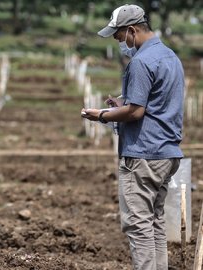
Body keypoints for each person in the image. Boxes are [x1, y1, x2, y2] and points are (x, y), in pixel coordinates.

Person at [81, 4, 184, 270]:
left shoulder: (140, 61)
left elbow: (136, 111)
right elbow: (154, 102)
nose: (119, 42)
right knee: (154, 221)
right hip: (168, 152)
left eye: (118, 37)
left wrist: (102, 115)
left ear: (132, 30)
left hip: (143, 154)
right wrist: (120, 105)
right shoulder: (170, 56)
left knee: (138, 225)